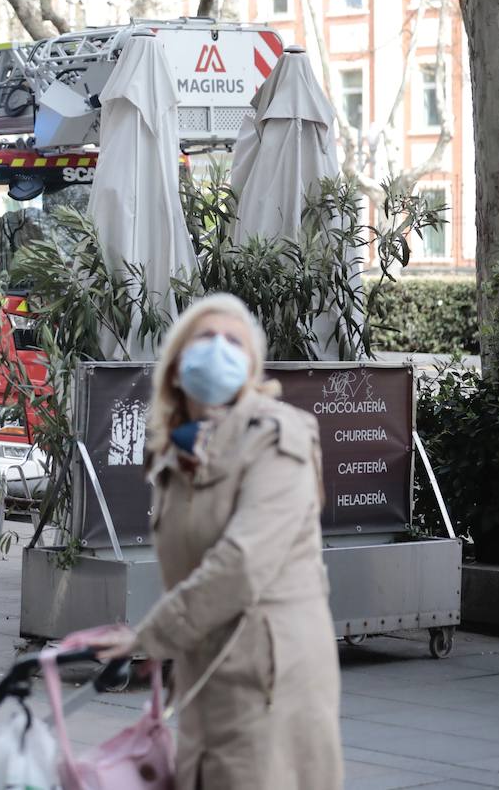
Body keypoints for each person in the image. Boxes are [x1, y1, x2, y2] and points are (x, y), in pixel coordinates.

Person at [92, 292, 342, 790]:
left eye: (234, 341)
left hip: (271, 678)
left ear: (251, 366)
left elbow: (242, 562)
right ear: (178, 364)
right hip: (209, 672)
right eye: (206, 337)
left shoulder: (277, 438)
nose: (219, 348)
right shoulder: (177, 453)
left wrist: (149, 636)